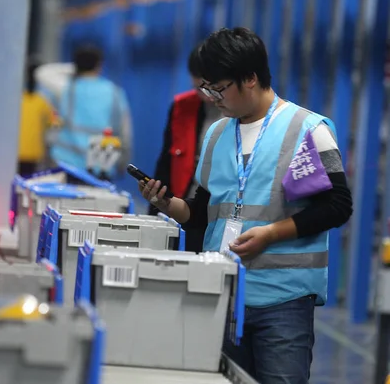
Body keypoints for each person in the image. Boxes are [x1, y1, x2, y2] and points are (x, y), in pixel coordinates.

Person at [139, 27, 352, 383]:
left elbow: (338, 205)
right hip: (221, 293)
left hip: (284, 301)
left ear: (250, 78)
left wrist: (271, 234)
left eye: (219, 88)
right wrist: (167, 204)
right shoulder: (218, 134)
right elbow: (202, 212)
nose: (212, 98)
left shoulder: (307, 130)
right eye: (206, 88)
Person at [149, 46, 220, 252]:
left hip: (216, 215)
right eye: (199, 88)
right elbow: (166, 161)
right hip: (183, 209)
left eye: (209, 88)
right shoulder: (182, 107)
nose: (205, 95)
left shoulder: (236, 113)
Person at [50, 46, 132, 177]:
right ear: (99, 65)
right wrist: (123, 161)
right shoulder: (114, 92)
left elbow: (42, 72)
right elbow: (124, 131)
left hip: (65, 163)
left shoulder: (65, 88)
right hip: (100, 166)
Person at [17, 59, 60, 177]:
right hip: (34, 151)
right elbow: (54, 121)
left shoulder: (18, 98)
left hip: (15, 149)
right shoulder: (43, 100)